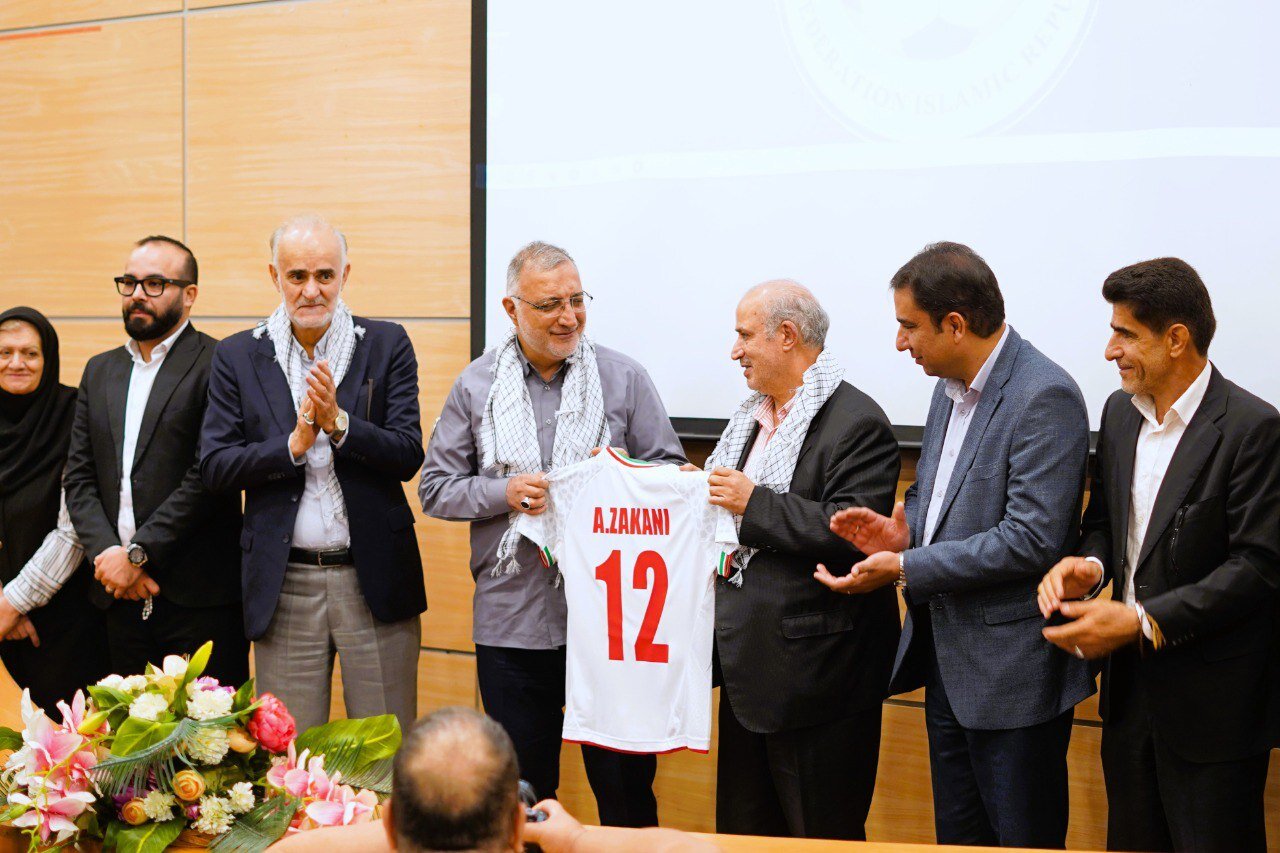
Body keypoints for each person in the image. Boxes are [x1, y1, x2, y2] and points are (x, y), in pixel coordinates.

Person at [821, 242, 1092, 848]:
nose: (900, 343)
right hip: (948, 665)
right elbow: (931, 494)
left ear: (955, 325)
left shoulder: (1044, 395)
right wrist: (904, 529)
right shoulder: (948, 387)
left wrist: (905, 565)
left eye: (908, 326)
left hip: (1014, 676)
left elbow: (1031, 538)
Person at [419, 241, 685, 828]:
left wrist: (613, 478)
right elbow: (435, 488)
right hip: (513, 622)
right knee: (522, 798)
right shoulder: (476, 385)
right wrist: (503, 492)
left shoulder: (623, 377)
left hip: (611, 626)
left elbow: (670, 477)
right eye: (549, 305)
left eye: (576, 300)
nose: (569, 317)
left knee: (625, 794)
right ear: (511, 309)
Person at [1038, 258, 1280, 853]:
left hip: (1213, 709)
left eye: (1125, 335)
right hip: (1128, 700)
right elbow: (1104, 524)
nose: (1109, 351)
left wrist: (1143, 621)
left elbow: (1258, 568)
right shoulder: (1119, 414)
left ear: (1176, 339)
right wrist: (1091, 566)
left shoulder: (1254, 428)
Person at [200, 215, 425, 733]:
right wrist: (293, 446)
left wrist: (340, 425)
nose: (311, 290)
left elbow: (408, 453)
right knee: (290, 754)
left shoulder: (386, 343)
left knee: (384, 754)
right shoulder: (237, 354)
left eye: (325, 275)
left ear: (345, 275)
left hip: (373, 577)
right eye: (297, 276)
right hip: (285, 583)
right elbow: (215, 466)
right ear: (274, 277)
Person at [704, 280, 900, 841]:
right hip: (747, 669)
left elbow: (853, 532)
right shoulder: (750, 417)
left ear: (787, 335)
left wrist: (752, 503)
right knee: (744, 835)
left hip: (819, 681)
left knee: (820, 836)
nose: (735, 351)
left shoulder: (857, 422)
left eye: (745, 336)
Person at [64, 237, 247, 683]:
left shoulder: (220, 362)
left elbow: (208, 476)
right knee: (127, 727)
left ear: (190, 294)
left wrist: (138, 556)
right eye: (129, 282)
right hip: (116, 596)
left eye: (154, 283)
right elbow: (79, 477)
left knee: (209, 728)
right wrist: (110, 557)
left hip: (198, 599)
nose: (137, 294)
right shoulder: (100, 370)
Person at [272, 707, 719, 853]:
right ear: (516, 826)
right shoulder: (529, 831)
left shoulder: (389, 827)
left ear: (389, 822)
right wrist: (577, 839)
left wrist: (399, 825)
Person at [0, 307, 110, 708]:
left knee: (69, 734)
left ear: (48, 359)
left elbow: (74, 528)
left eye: (30, 353)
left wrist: (12, 604)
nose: (17, 363)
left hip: (67, 619)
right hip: (4, 616)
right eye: (5, 352)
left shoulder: (74, 412)